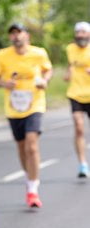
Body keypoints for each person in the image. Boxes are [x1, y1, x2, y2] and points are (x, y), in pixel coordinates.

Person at [0, 23, 53, 209]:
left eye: (19, 33)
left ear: (27, 35)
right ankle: (29, 179)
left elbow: (47, 70)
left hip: (35, 103)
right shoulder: (2, 55)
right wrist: (5, 83)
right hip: (14, 107)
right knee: (21, 146)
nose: (16, 36)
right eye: (13, 34)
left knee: (31, 145)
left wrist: (44, 80)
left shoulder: (39, 53)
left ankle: (32, 189)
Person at [64, 21, 90, 178]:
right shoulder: (70, 49)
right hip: (75, 93)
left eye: (83, 32)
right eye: (78, 32)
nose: (80, 35)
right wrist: (68, 73)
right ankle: (82, 164)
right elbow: (70, 66)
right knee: (79, 127)